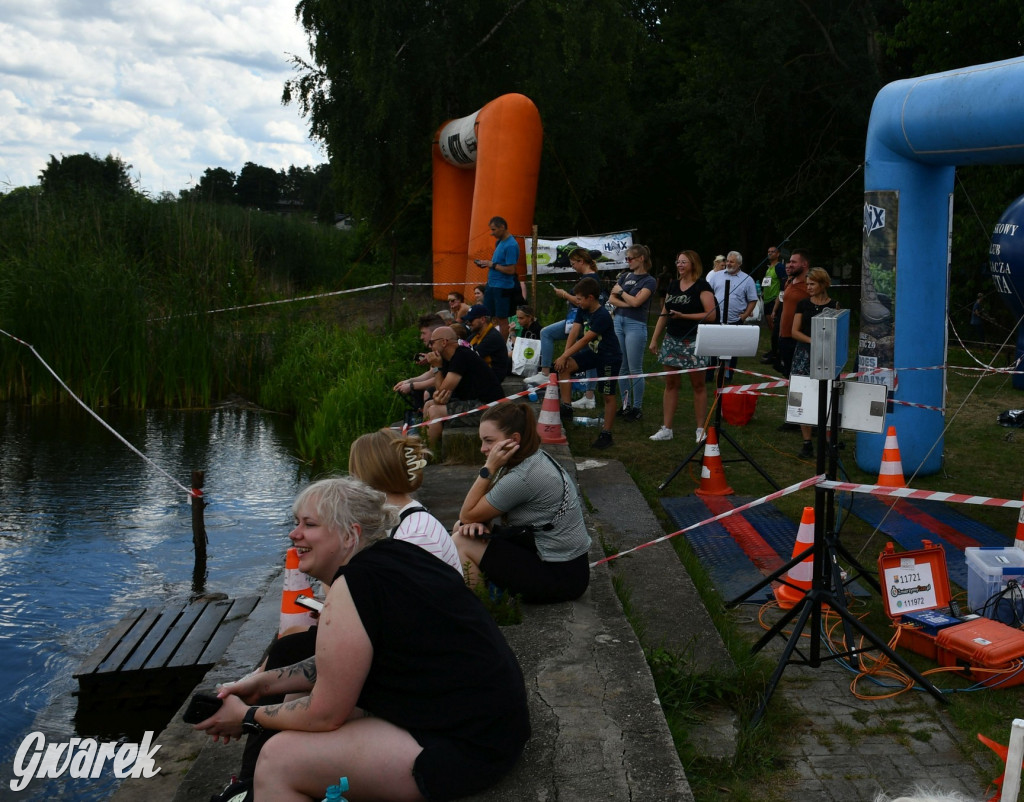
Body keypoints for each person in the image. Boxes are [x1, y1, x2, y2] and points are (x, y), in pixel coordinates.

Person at [195, 477, 529, 801]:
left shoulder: (354, 585)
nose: (294, 534)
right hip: (488, 722)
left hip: (468, 746)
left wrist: (246, 717)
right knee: (296, 697)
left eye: (309, 525)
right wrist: (262, 684)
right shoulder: (396, 555)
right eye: (296, 522)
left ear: (349, 535)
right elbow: (339, 662)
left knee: (277, 759)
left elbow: (326, 714)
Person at [451, 402, 591, 603]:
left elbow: (467, 513)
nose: (483, 449)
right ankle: (489, 593)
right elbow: (475, 515)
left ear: (513, 439)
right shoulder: (529, 458)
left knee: (462, 541)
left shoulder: (523, 476)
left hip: (562, 576)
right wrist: (478, 522)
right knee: (463, 529)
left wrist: (487, 468)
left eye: (489, 441)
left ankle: (485, 610)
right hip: (550, 556)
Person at [348, 428, 463, 574]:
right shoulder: (400, 520)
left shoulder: (416, 534)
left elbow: (414, 594)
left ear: (371, 476)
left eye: (354, 474)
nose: (351, 483)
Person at [523, 248, 606, 411]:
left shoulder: (592, 279)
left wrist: (564, 295)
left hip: (584, 321)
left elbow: (581, 301)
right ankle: (547, 373)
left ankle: (588, 395)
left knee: (587, 355)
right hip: (575, 319)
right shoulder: (586, 277)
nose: (572, 266)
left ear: (581, 261)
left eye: (573, 263)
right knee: (547, 333)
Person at [647, 250, 717, 443]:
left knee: (698, 385)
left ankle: (700, 429)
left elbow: (711, 315)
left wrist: (684, 316)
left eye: (684, 262)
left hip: (695, 341)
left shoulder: (702, 286)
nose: (679, 265)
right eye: (678, 262)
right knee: (671, 384)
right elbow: (665, 312)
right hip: (672, 339)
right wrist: (654, 339)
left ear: (693, 264)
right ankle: (667, 428)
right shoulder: (673, 284)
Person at [553, 276, 623, 449]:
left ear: (590, 298)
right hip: (594, 352)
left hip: (609, 357)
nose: (577, 302)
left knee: (608, 395)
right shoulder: (582, 309)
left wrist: (565, 355)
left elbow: (584, 340)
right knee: (565, 367)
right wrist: (565, 356)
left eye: (579, 299)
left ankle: (606, 434)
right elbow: (575, 331)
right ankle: (567, 407)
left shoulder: (602, 316)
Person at [421, 326, 504, 447]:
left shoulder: (461, 356)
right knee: (429, 404)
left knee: (435, 411)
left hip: (489, 408)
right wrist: (438, 368)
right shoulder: (450, 358)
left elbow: (441, 390)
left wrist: (436, 367)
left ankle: (427, 454)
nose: (429, 347)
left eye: (432, 343)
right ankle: (424, 445)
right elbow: (441, 395)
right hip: (474, 402)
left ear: (444, 342)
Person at [790, 267, 838, 458]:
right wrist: (813, 342)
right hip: (805, 354)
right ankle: (807, 441)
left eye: (812, 284)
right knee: (804, 395)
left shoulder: (834, 305)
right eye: (807, 284)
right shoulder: (803, 304)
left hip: (826, 355)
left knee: (827, 395)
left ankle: (827, 441)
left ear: (823, 284)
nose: (808, 287)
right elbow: (795, 331)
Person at [608, 244, 657, 421]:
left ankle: (637, 407)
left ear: (641, 259)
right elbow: (611, 298)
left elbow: (635, 300)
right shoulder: (625, 276)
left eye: (630, 258)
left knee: (635, 367)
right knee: (622, 366)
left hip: (635, 324)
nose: (627, 261)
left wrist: (622, 293)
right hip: (619, 320)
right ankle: (625, 405)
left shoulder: (649, 280)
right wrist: (630, 302)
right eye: (626, 258)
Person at [705, 250, 759, 381]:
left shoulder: (747, 279)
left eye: (732, 261)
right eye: (727, 261)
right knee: (712, 347)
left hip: (735, 320)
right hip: (716, 318)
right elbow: (708, 294)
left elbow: (753, 299)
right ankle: (709, 375)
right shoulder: (716, 276)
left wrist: (745, 315)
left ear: (739, 264)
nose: (728, 263)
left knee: (732, 350)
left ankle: (728, 375)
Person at [474, 216, 520, 338]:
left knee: (502, 319)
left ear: (502, 227)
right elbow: (498, 264)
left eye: (494, 230)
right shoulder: (500, 242)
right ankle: (487, 341)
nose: (492, 233)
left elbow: (511, 270)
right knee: (486, 316)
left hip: (502, 287)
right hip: (492, 285)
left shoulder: (511, 245)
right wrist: (487, 264)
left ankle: (502, 348)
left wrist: (492, 265)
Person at [393, 314, 446, 416]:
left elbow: (442, 378)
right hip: (444, 387)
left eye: (423, 333)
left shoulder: (446, 349)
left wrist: (412, 385)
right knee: (416, 391)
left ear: (435, 332)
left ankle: (423, 422)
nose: (421, 337)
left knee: (425, 392)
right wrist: (409, 381)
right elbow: (432, 373)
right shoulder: (436, 350)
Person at [776, 248, 811, 380]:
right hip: (784, 337)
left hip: (798, 339)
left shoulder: (810, 286)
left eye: (794, 262)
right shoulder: (789, 282)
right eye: (789, 261)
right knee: (788, 376)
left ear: (804, 264)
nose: (790, 264)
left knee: (799, 378)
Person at [462, 304, 510, 382]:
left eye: (471, 320)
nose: (468, 323)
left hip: (491, 379)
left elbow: (471, 357)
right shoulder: (476, 334)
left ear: (483, 320)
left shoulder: (493, 337)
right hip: (480, 374)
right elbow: (462, 349)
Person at [760, 245, 787, 364]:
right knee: (771, 327)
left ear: (778, 254)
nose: (770, 253)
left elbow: (783, 282)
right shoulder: (769, 267)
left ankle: (777, 353)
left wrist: (780, 299)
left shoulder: (779, 267)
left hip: (774, 300)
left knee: (775, 327)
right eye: (768, 251)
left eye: (773, 252)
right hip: (766, 299)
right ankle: (774, 349)